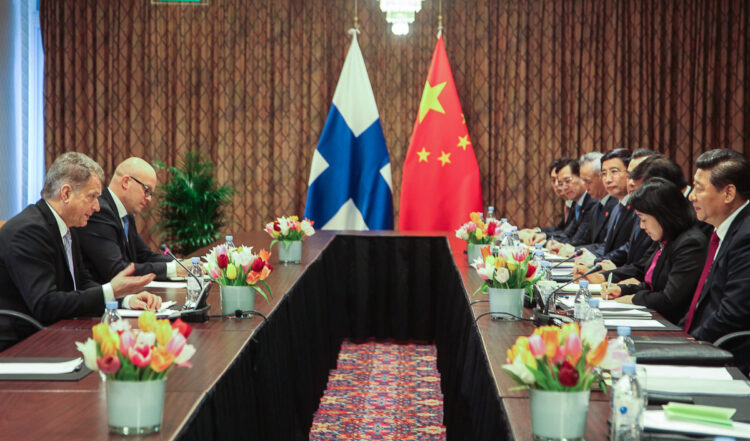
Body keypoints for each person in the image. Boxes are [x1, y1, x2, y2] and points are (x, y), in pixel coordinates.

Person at [0, 152, 160, 349]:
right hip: (22, 344)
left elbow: (81, 281)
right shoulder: (28, 231)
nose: (97, 207)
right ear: (66, 194)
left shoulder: (68, 227)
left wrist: (124, 299)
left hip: (58, 330)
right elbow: (45, 304)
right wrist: (111, 291)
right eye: (92, 197)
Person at [599, 178, 707, 325]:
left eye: (644, 219)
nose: (642, 227)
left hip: (672, 326)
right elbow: (653, 285)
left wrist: (633, 299)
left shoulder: (690, 243)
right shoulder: (667, 238)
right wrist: (622, 290)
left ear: (663, 215)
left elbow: (670, 299)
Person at [683, 149, 750, 371]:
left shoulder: (746, 236)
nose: (692, 196)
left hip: (727, 359)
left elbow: (732, 314)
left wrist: (687, 345)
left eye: (699, 189)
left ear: (728, 193)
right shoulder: (724, 230)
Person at [77, 157, 190, 283]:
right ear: (126, 182)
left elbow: (144, 256)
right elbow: (117, 270)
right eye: (146, 190)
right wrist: (173, 269)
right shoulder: (100, 212)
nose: (149, 199)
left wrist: (183, 265)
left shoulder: (126, 215)